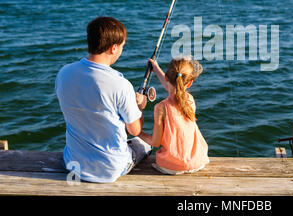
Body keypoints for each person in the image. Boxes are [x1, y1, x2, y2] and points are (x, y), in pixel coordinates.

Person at [55, 16, 152, 183]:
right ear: (113, 48)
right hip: (110, 170)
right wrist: (139, 107)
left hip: (73, 164)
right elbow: (134, 130)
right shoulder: (121, 85)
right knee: (145, 145)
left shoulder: (64, 73)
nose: (122, 50)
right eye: (122, 46)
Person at [139, 57, 209, 175]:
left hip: (171, 167)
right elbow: (174, 87)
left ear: (166, 78)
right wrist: (156, 68)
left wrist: (137, 131)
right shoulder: (190, 100)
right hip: (197, 161)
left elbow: (154, 142)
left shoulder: (160, 108)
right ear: (190, 82)